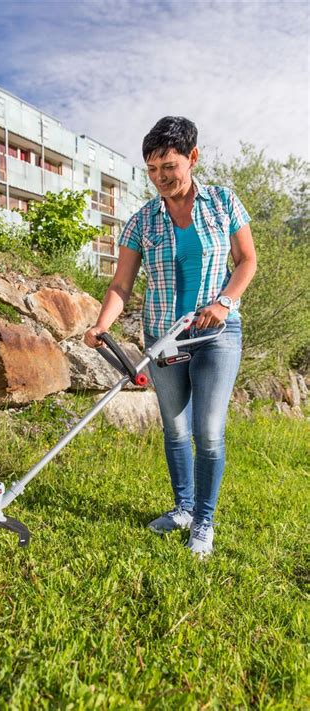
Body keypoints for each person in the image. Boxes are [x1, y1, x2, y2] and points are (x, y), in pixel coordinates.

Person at [84, 116, 257, 557]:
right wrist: (102, 324)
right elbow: (121, 285)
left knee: (209, 431)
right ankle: (182, 507)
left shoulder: (223, 203)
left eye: (170, 166)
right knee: (177, 429)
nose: (161, 178)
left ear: (192, 158)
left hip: (215, 334)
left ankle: (204, 520)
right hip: (164, 339)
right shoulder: (142, 221)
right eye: (153, 170)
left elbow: (246, 261)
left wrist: (224, 304)